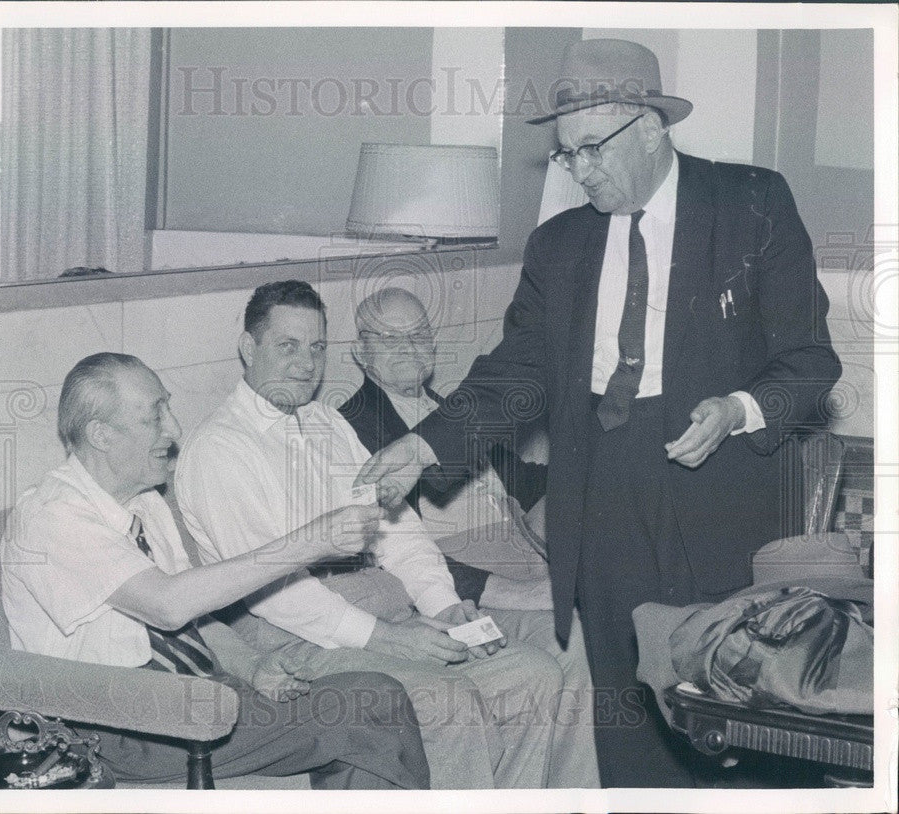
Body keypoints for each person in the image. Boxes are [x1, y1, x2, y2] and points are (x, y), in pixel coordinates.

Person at [356, 39, 842, 787]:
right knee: (626, 712)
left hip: (721, 489)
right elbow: (517, 374)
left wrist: (740, 407)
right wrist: (424, 448)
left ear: (649, 126)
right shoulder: (559, 245)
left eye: (591, 149)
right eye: (566, 156)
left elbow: (811, 361)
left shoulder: (750, 203)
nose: (580, 170)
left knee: (737, 706)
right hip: (602, 497)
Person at [176, 281, 565, 789]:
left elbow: (399, 529)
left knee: (534, 677)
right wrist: (391, 639)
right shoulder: (221, 449)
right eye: (287, 345)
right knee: (448, 700)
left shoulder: (327, 424)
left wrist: (442, 605)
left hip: (382, 610)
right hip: (298, 635)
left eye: (316, 347)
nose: (306, 363)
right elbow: (276, 594)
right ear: (249, 349)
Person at [1, 352, 430, 790]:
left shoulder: (145, 502)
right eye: (155, 416)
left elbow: (195, 618)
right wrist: (312, 541)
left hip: (189, 696)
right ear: (100, 435)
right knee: (374, 700)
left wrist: (252, 666)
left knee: (364, 718)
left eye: (168, 407)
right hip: (111, 723)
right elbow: (167, 606)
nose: (174, 429)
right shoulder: (52, 516)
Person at [340, 286, 599, 788]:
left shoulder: (453, 411)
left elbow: (523, 483)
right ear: (359, 353)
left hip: (522, 546)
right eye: (389, 340)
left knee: (604, 617)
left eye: (418, 336)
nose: (409, 349)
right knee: (576, 641)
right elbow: (388, 553)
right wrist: (514, 592)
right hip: (463, 580)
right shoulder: (352, 427)